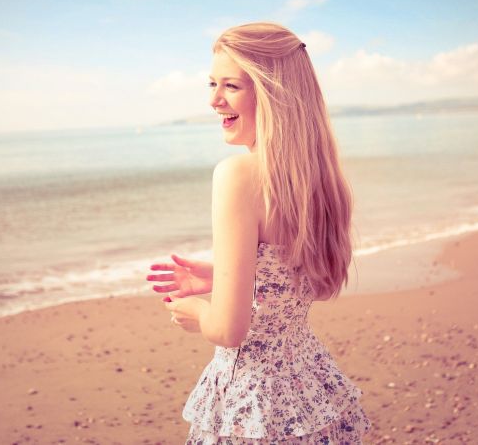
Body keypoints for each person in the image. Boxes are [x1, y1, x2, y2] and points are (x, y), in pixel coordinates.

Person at [145, 22, 372, 443]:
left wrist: (195, 310)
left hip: (255, 405)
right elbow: (311, 283)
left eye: (231, 86)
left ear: (273, 95)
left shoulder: (237, 176)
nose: (214, 100)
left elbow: (230, 330)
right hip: (311, 388)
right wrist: (224, 275)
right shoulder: (319, 179)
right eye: (212, 84)